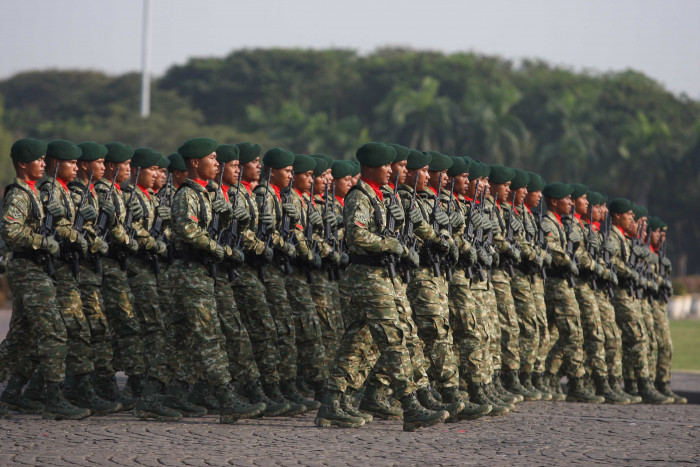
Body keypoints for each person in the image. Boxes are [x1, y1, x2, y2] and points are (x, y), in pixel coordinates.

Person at [317, 142, 448, 432]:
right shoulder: (359, 196)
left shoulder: (382, 196)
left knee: (360, 342)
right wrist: (394, 245)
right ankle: (410, 404)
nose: (392, 170)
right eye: (386, 166)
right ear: (370, 168)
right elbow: (357, 236)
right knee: (394, 338)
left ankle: (333, 403)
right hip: (367, 276)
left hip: (384, 275)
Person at [0, 138, 89, 420]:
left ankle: (12, 394)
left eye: (43, 159)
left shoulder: (35, 192)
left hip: (36, 269)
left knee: (20, 339)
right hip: (27, 268)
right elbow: (11, 232)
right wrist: (43, 242)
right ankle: (54, 397)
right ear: (23, 163)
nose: (43, 163)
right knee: (53, 332)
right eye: (37, 159)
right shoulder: (19, 194)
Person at [540, 182, 604, 403]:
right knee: (570, 333)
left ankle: (549, 376)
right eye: (567, 199)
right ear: (554, 201)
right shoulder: (549, 222)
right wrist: (570, 261)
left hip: (565, 284)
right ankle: (574, 381)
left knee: (564, 333)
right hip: (557, 283)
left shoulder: (559, 223)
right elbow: (555, 251)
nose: (571, 202)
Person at [606, 198, 669, 404]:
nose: (635, 221)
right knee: (634, 339)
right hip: (621, 294)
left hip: (631, 295)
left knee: (640, 339)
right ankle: (638, 384)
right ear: (618, 216)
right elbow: (613, 262)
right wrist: (631, 273)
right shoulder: (614, 238)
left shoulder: (624, 239)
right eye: (631, 216)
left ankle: (639, 384)